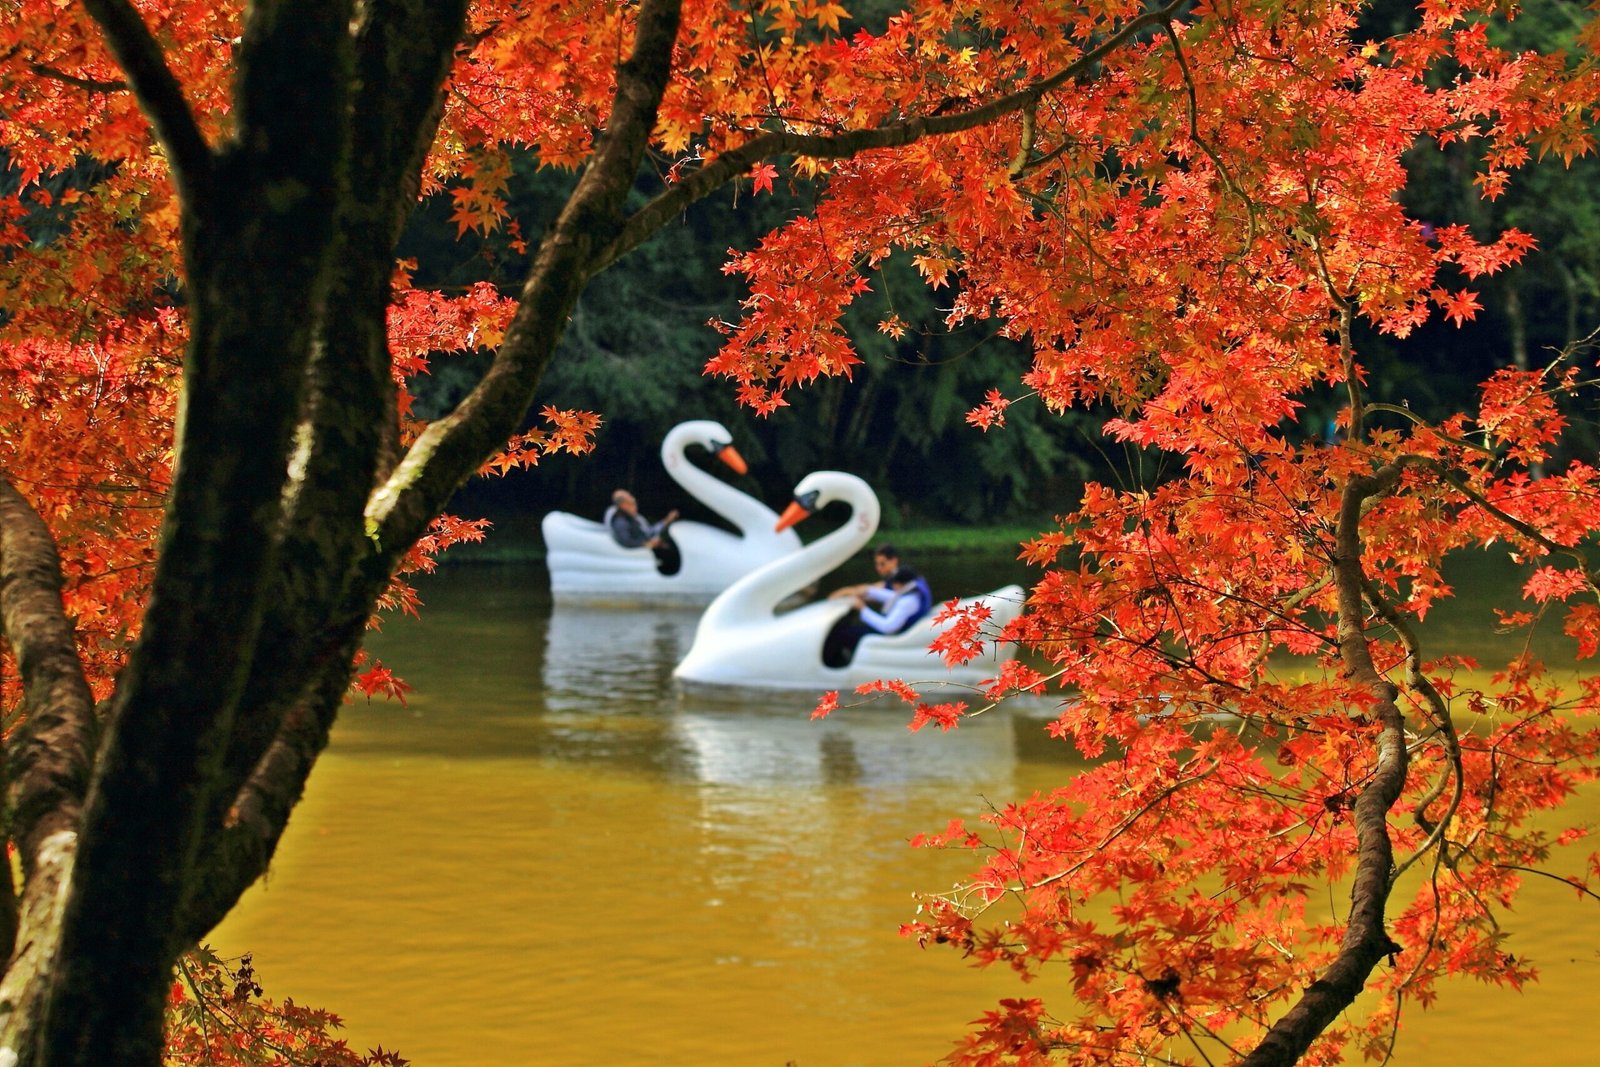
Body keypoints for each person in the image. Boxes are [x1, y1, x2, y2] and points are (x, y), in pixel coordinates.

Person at [822, 554, 934, 668]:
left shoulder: (908, 601)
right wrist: (868, 592)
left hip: (891, 635)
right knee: (849, 630)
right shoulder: (911, 593)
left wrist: (862, 609)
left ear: (900, 584)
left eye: (894, 584)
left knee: (842, 634)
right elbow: (893, 597)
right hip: (897, 630)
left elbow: (888, 627)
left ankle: (834, 666)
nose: (893, 586)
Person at [605, 489, 681, 572]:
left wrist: (667, 520)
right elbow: (626, 542)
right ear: (623, 505)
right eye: (631, 503)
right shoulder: (621, 522)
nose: (635, 504)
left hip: (647, 545)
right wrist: (647, 544)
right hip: (642, 554)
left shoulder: (632, 518)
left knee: (672, 544)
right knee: (671, 553)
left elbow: (649, 532)